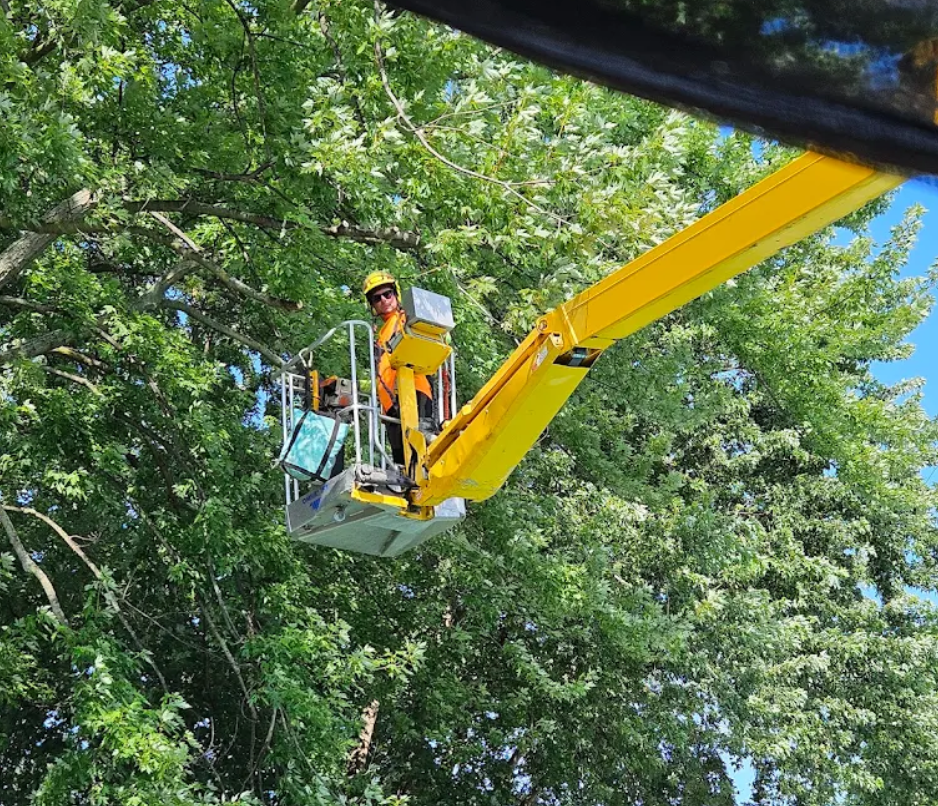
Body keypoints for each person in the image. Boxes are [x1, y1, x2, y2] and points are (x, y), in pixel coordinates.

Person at [362, 271, 434, 468]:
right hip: (391, 407)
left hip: (413, 393)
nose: (384, 301)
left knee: (421, 454)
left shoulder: (406, 318)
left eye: (387, 294)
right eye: (377, 298)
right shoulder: (382, 333)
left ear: (396, 294)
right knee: (403, 465)